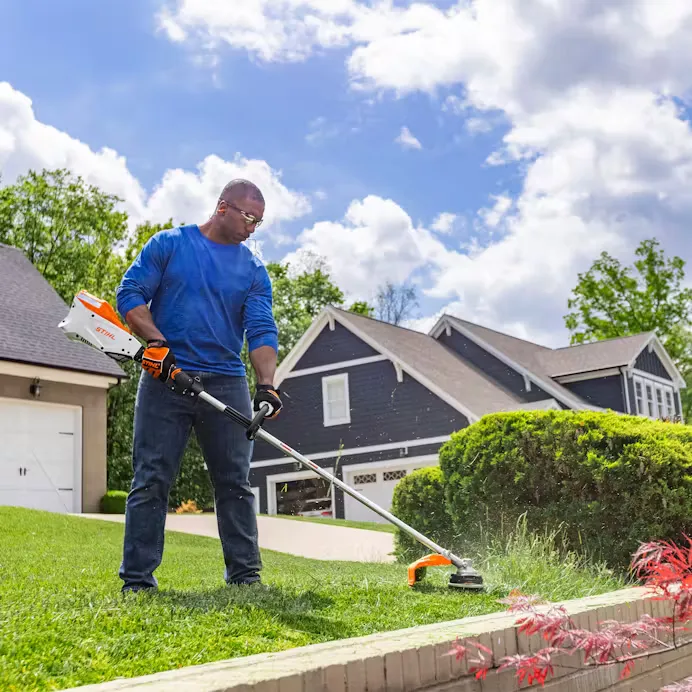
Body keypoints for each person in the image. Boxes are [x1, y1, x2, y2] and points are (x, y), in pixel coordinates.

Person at [114, 179, 283, 594]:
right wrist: (156, 342)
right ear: (223, 207)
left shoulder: (253, 270)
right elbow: (130, 293)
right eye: (248, 217)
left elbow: (260, 328)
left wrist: (267, 384)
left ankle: (245, 576)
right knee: (151, 477)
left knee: (235, 482)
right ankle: (138, 581)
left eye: (259, 222)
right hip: (165, 378)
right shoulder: (170, 245)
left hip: (226, 381)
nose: (252, 228)